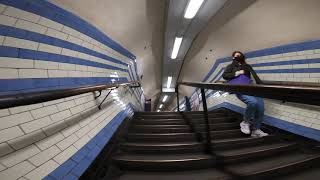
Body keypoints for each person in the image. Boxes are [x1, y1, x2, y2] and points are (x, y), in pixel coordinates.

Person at [222, 51, 268, 137]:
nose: (238, 56)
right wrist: (237, 73)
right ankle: (245, 122)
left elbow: (255, 77)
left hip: (252, 88)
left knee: (260, 109)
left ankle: (256, 130)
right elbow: (225, 75)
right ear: (233, 58)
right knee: (252, 102)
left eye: (240, 55)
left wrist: (262, 87)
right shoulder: (230, 66)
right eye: (236, 56)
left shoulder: (247, 66)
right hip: (240, 89)